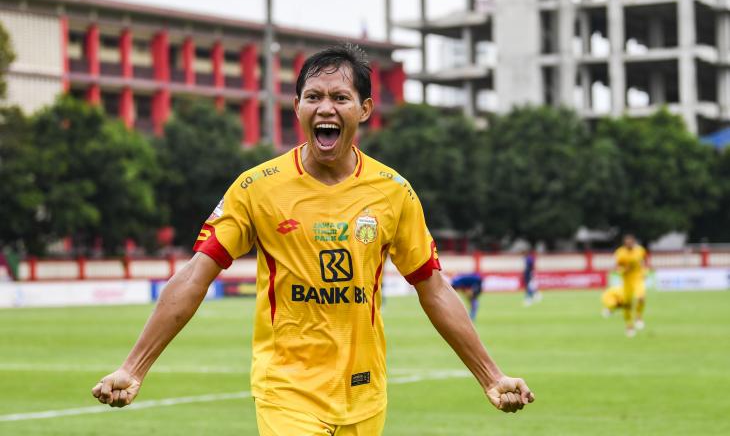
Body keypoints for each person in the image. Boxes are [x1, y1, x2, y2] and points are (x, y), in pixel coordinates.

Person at [91, 45, 534, 434]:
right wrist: (134, 366)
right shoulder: (256, 187)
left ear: (364, 109)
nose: (326, 108)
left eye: (340, 97)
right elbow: (194, 276)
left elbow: (432, 286)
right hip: (287, 389)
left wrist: (491, 376)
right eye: (313, 97)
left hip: (365, 391)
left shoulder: (394, 192)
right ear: (297, 106)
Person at [613, 234, 648, 337]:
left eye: (631, 242)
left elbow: (645, 261)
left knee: (641, 297)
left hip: (637, 279)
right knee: (627, 304)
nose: (629, 244)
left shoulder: (640, 250)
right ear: (624, 243)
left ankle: (638, 316)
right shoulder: (620, 253)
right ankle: (629, 325)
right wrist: (624, 270)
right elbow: (617, 267)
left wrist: (645, 271)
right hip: (626, 281)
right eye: (627, 243)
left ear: (634, 242)